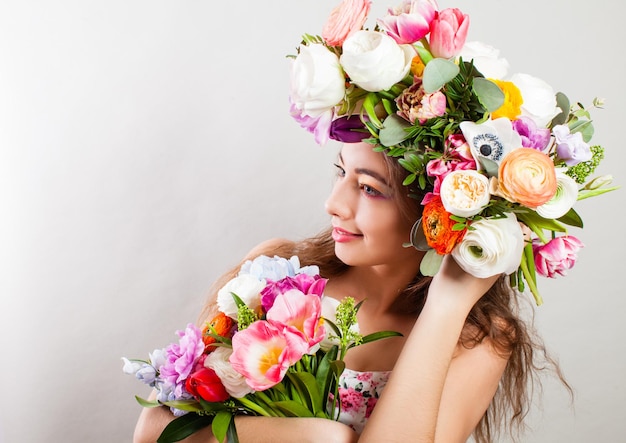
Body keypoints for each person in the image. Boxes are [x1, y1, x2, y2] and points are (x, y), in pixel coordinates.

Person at [133, 140, 565, 443]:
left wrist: (445, 308)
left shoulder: (477, 340)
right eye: (341, 171)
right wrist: (318, 438)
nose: (334, 203)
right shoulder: (277, 274)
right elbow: (153, 430)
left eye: (369, 188)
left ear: (436, 212)